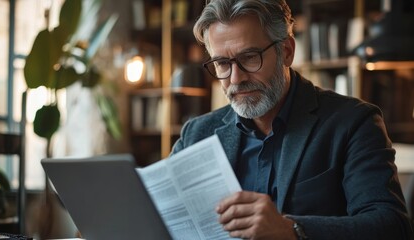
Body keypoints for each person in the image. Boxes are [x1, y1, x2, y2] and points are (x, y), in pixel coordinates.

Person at [169, 0, 414, 239]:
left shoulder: (353, 122)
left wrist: (291, 230)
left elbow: (391, 226)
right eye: (222, 63)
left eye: (250, 57)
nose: (235, 79)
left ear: (286, 51)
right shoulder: (196, 134)